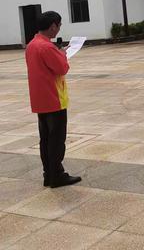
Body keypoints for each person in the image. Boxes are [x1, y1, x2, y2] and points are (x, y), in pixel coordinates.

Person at [25, 11, 81, 188]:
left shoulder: (32, 45)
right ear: (52, 26)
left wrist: (58, 53)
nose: (58, 29)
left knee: (46, 139)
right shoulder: (47, 47)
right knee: (56, 140)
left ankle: (48, 174)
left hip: (40, 99)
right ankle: (57, 175)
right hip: (53, 98)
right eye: (59, 25)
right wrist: (62, 54)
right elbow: (62, 68)